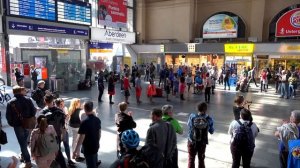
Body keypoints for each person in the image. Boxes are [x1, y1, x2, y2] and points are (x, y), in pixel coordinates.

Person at [6, 86, 36, 168]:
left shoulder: (10, 102)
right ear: (20, 91)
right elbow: (33, 112)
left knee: (22, 143)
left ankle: (28, 161)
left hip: (17, 126)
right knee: (25, 141)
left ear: (14, 92)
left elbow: (8, 117)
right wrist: (29, 118)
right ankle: (24, 156)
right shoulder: (28, 99)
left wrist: (13, 124)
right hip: (28, 124)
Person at [73, 101, 101, 168]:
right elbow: (99, 133)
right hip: (95, 145)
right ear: (92, 108)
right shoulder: (97, 120)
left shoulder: (84, 122)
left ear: (84, 109)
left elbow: (81, 138)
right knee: (94, 162)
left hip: (88, 148)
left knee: (90, 164)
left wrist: (75, 151)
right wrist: (98, 142)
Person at [42, 94, 67, 168]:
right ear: (53, 101)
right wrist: (63, 135)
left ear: (45, 101)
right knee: (58, 151)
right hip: (57, 135)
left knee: (50, 153)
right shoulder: (60, 111)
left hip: (47, 136)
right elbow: (63, 125)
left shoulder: (43, 113)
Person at [187, 102, 214, 168]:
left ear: (197, 109)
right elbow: (212, 131)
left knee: (191, 158)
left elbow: (189, 125)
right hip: (202, 142)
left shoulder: (192, 116)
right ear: (206, 109)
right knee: (201, 159)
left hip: (192, 141)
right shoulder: (209, 119)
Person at [55, 98, 76, 167]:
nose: (63, 105)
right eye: (61, 104)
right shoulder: (55, 110)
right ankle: (59, 160)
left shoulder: (65, 108)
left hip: (64, 129)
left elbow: (67, 119)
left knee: (66, 144)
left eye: (63, 103)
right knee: (58, 147)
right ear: (58, 104)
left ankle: (69, 160)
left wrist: (66, 117)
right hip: (57, 131)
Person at [68, 98, 85, 162]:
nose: (80, 103)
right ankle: (77, 155)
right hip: (77, 127)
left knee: (74, 140)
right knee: (77, 141)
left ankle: (75, 154)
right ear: (77, 103)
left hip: (72, 126)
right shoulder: (79, 110)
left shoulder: (71, 109)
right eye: (79, 102)